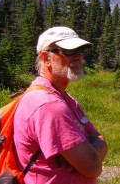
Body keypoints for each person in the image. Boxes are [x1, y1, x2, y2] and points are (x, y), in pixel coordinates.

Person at [13, 26, 108, 183]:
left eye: (80, 51)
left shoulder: (65, 98)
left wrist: (94, 149)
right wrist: (94, 152)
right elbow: (92, 167)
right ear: (46, 58)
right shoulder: (48, 105)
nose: (78, 57)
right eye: (69, 52)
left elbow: (98, 137)